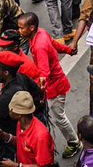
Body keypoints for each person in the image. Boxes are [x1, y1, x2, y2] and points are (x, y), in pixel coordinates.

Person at [17, 12, 77, 158]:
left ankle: (74, 142)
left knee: (59, 117)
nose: (19, 31)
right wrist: (68, 50)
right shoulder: (41, 33)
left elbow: (44, 74)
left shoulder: (39, 46)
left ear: (31, 28)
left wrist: (40, 94)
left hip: (54, 87)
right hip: (55, 83)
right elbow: (55, 45)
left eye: (21, 28)